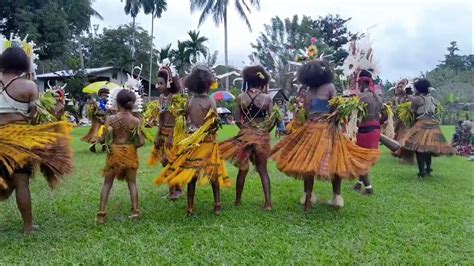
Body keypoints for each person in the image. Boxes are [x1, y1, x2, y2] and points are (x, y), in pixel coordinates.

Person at [272, 60, 380, 211]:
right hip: (326, 130)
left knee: (308, 162)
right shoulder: (328, 87)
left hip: (312, 130)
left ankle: (308, 195)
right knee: (333, 163)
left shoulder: (309, 91)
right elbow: (335, 108)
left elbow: (310, 112)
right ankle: (336, 197)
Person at [0, 46, 72, 235]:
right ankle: (28, 226)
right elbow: (34, 116)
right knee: (22, 184)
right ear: (23, 64)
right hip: (21, 140)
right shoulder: (29, 86)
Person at [154, 66, 231, 216]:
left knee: (192, 176)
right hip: (207, 143)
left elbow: (184, 120)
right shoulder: (210, 101)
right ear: (208, 84)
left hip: (193, 143)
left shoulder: (190, 101)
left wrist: (192, 130)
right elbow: (213, 123)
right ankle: (217, 205)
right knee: (213, 174)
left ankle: (190, 208)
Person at [220, 66, 274, 210]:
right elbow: (273, 120)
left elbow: (237, 120)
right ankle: (268, 203)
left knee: (242, 169)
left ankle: (238, 201)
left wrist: (245, 130)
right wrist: (264, 131)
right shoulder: (267, 98)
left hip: (244, 136)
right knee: (263, 170)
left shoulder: (240, 97)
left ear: (248, 81)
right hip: (261, 137)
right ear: (262, 82)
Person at [97, 89, 145, 224]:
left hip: (114, 153)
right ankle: (135, 212)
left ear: (117, 102)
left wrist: (101, 140)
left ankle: (101, 215)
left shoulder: (110, 119)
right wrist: (130, 148)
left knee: (107, 184)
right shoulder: (135, 121)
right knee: (132, 183)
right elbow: (141, 142)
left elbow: (102, 140)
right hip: (130, 153)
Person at [401, 79, 454, 177]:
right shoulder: (433, 99)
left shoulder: (416, 99)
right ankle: (428, 169)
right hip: (434, 126)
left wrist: (411, 128)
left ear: (419, 89)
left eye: (415, 88)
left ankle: (422, 172)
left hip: (422, 125)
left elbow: (413, 113)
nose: (414, 90)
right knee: (428, 149)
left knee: (419, 150)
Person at [148, 60, 183, 200]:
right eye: (158, 83)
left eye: (161, 83)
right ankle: (172, 189)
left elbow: (179, 120)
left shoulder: (176, 98)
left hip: (175, 134)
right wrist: (158, 135)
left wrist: (171, 137)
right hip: (163, 133)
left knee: (172, 161)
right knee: (165, 162)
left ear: (169, 82)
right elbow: (161, 118)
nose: (158, 86)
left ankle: (178, 189)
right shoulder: (161, 98)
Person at [352, 70, 387, 195]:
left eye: (358, 84)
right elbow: (385, 116)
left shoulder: (361, 97)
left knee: (361, 159)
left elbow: (355, 118)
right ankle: (359, 184)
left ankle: (368, 188)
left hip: (365, 131)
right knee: (364, 158)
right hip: (375, 131)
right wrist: (376, 123)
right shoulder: (378, 97)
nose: (358, 87)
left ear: (362, 83)